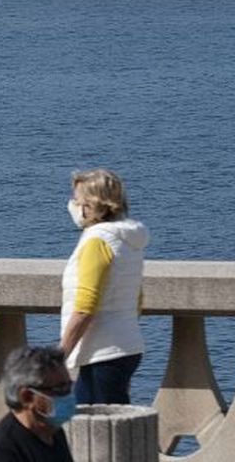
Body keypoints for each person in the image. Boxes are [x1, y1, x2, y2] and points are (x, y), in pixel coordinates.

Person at [60, 168, 148, 405]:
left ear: (91, 205)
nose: (74, 207)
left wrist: (60, 355)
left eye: (77, 201)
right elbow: (137, 299)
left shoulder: (97, 241)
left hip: (102, 352)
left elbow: (85, 306)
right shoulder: (129, 240)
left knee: (99, 433)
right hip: (125, 348)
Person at [0, 345, 77, 462]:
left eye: (69, 387)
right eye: (60, 389)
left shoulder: (53, 433)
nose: (68, 395)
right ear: (27, 396)